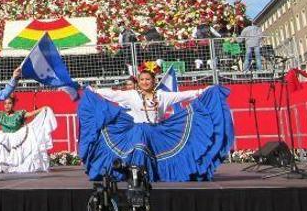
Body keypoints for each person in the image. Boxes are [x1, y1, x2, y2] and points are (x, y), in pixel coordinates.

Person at [79, 69, 233, 182]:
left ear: (154, 80)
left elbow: (185, 95)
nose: (145, 82)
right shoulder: (131, 95)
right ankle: (135, 176)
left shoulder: (162, 96)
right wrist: (95, 90)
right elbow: (113, 94)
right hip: (137, 131)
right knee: (139, 147)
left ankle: (150, 175)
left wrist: (203, 90)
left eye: (148, 79)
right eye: (142, 80)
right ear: (138, 82)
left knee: (156, 157)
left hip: (157, 132)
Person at [0, 95, 56, 174]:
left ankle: (13, 166)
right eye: (5, 104)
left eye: (9, 103)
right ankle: (0, 166)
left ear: (13, 104)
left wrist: (43, 108)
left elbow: (31, 113)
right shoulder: (0, 115)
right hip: (4, 139)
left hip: (17, 138)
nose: (7, 106)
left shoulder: (19, 114)